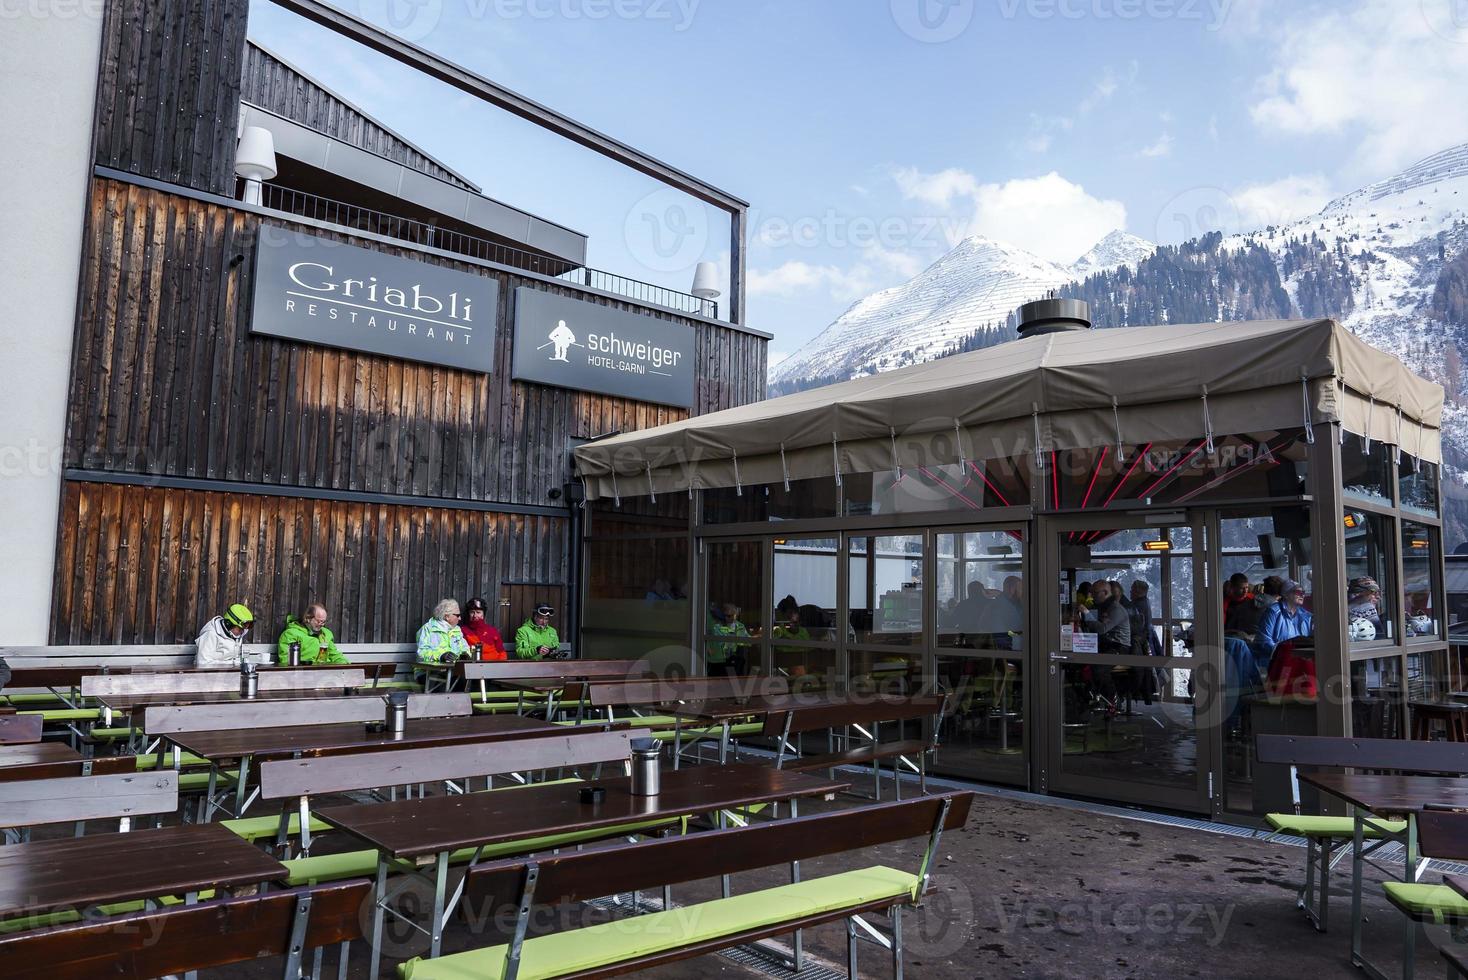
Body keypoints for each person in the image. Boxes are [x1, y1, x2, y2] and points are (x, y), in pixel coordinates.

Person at [1253, 578, 1313, 662]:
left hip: (1300, 661)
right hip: (1274, 662)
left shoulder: (1307, 616)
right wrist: (1286, 654)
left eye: (1303, 592)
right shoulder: (1273, 612)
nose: (1302, 595)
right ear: (1286, 594)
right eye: (1298, 592)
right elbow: (1264, 641)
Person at [276, 602, 348, 665]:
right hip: (302, 673)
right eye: (319, 621)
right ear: (308, 618)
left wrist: (347, 667)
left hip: (324, 673)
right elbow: (286, 661)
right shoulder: (291, 634)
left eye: (324, 622)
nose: (321, 624)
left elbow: (334, 655)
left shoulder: (326, 634)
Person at [196, 603, 254, 668]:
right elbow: (202, 662)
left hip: (228, 674)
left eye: (245, 628)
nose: (243, 631)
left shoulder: (236, 634)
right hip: (207, 675)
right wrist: (231, 663)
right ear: (229, 624)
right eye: (240, 628)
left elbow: (236, 658)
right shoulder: (211, 634)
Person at [416, 598, 470, 664]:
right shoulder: (428, 629)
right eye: (457, 615)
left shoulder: (457, 630)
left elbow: (465, 648)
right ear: (447, 616)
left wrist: (466, 655)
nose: (460, 618)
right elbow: (421, 653)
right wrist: (440, 656)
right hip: (429, 671)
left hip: (452, 670)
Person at [707, 602, 748, 676]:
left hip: (732, 661)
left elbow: (745, 641)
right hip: (717, 662)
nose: (730, 618)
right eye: (728, 616)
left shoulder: (739, 626)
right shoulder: (716, 627)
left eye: (733, 616)